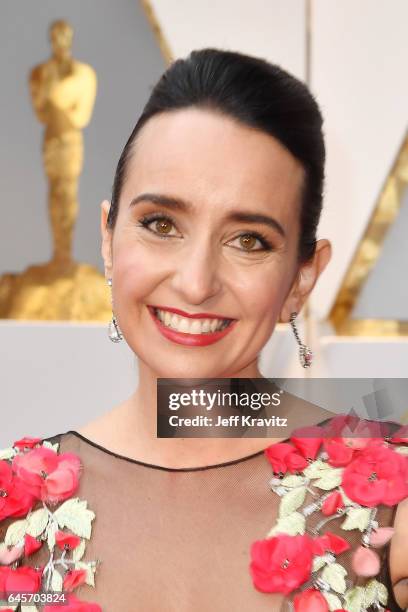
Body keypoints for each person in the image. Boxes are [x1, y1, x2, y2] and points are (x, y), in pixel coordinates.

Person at [1, 49, 407, 611]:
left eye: (248, 240)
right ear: (107, 238)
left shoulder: (395, 504)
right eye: (161, 224)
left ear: (302, 278)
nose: (195, 284)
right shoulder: (11, 513)